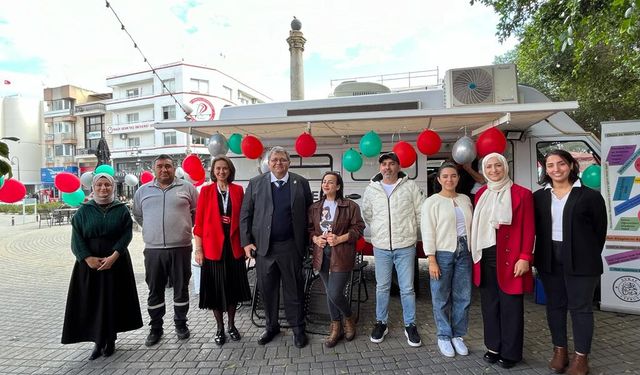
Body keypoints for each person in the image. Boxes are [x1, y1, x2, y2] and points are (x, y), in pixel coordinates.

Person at [533, 150, 607, 375]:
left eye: (561, 164)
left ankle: (581, 359)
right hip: (549, 257)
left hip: (582, 259)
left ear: (572, 165)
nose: (556, 169)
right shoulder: (539, 197)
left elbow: (599, 231)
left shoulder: (590, 196)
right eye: (550, 165)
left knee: (580, 308)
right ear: (545, 169)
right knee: (555, 306)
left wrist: (587, 252)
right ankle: (560, 351)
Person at [61, 173, 142, 360]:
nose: (103, 188)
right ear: (93, 187)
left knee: (113, 300)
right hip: (91, 265)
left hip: (116, 262)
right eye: (99, 185)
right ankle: (98, 341)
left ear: (113, 187)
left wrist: (114, 256)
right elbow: (76, 238)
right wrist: (87, 258)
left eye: (107, 185)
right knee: (94, 302)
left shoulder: (120, 210)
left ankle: (111, 339)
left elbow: (126, 234)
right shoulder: (84, 211)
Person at [240, 146, 313, 348]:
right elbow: (245, 214)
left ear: (289, 162)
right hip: (265, 248)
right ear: (268, 163)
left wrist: (309, 243)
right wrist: (246, 242)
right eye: (274, 160)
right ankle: (271, 327)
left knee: (294, 290)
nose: (278, 163)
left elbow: (309, 215)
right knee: (267, 290)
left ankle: (298, 329)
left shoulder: (301, 183)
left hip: (291, 247)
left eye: (282, 160)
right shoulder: (256, 183)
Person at [470, 152, 535, 369]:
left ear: (505, 167)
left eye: (498, 166)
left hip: (511, 258)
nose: (494, 170)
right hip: (485, 257)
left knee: (511, 307)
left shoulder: (522, 194)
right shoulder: (481, 194)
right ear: (484, 170)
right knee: (490, 306)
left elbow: (529, 229)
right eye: (489, 167)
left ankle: (511, 352)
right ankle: (493, 347)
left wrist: (525, 257)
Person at [133, 154, 199, 347]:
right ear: (154, 169)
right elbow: (138, 214)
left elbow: (196, 212)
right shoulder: (143, 191)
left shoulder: (187, 188)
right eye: (160, 166)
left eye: (168, 166)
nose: (164, 170)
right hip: (153, 250)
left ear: (174, 168)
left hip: (181, 248)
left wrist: (183, 228)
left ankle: (181, 324)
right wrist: (152, 230)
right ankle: (156, 328)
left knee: (181, 288)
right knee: (155, 290)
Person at [362, 152, 425, 347]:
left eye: (391, 164)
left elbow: (420, 212)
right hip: (381, 247)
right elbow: (368, 214)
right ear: (380, 167)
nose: (387, 167)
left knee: (407, 288)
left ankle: (410, 325)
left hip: (405, 245)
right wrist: (380, 233)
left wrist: (412, 234)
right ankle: (381, 323)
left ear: (398, 166)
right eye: (384, 164)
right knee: (382, 287)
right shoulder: (372, 189)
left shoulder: (410, 186)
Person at [193, 156, 252, 346]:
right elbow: (199, 224)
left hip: (233, 248)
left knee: (233, 290)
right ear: (213, 171)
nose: (221, 172)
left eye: (225, 168)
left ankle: (232, 325)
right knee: (215, 292)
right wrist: (198, 249)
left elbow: (244, 221)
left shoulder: (238, 190)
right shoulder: (206, 191)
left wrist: (246, 244)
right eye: (218, 168)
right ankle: (219, 328)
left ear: (230, 170)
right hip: (212, 249)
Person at [420, 162, 473, 357]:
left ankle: (458, 335)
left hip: (464, 251)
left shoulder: (465, 199)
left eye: (453, 176)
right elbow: (427, 231)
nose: (449, 179)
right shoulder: (432, 202)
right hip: (442, 253)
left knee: (463, 296)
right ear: (439, 179)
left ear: (458, 178)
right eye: (445, 176)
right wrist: (431, 258)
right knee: (441, 296)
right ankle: (443, 335)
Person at [308, 172, 365, 347]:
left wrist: (340, 238)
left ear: (338, 186)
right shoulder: (315, 207)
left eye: (330, 182)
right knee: (329, 291)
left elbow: (359, 228)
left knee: (334, 292)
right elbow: (309, 229)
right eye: (324, 181)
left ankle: (348, 318)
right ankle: (336, 327)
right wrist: (315, 239)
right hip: (321, 253)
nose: (326, 185)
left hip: (341, 254)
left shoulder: (350, 206)